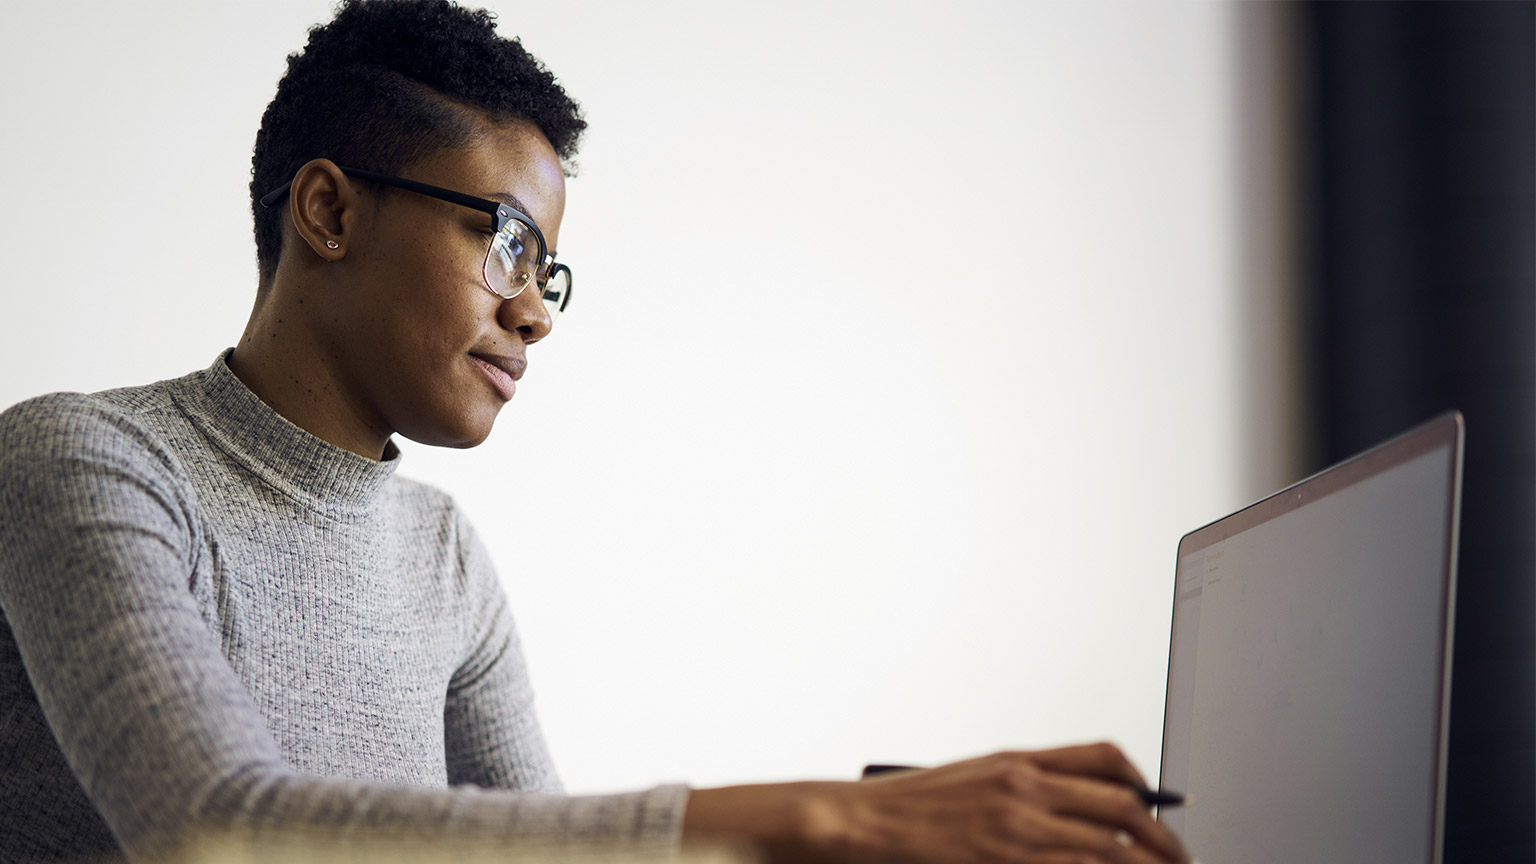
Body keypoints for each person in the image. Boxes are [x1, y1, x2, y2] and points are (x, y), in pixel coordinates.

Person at [0, 2, 1192, 863]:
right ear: (328, 210)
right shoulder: (84, 464)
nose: (533, 310)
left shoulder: (442, 557)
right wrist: (823, 815)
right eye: (506, 241)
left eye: (550, 271)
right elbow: (218, 829)